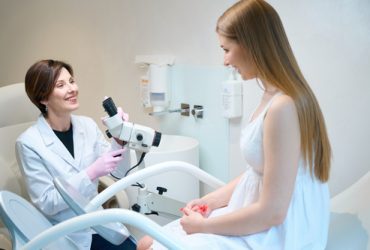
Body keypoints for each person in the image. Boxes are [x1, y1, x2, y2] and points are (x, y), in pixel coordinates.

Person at [137, 0, 331, 249]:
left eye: (226, 49)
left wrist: (203, 226)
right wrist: (211, 201)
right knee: (147, 241)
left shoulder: (283, 107)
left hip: (278, 233)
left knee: (148, 246)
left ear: (251, 45)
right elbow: (258, 173)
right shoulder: (273, 95)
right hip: (258, 216)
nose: (225, 61)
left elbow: (273, 213)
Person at [16, 59, 136, 250]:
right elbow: (47, 203)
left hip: (97, 225)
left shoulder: (86, 125)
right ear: (43, 99)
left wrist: (119, 138)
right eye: (61, 85)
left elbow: (119, 173)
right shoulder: (28, 143)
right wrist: (90, 173)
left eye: (71, 81)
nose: (72, 88)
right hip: (64, 233)